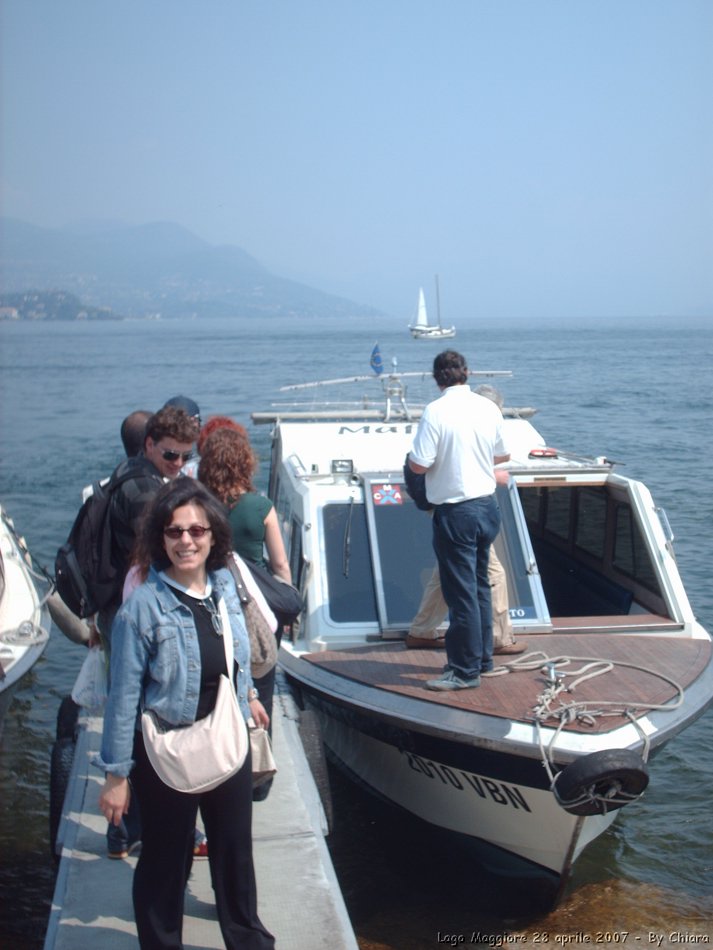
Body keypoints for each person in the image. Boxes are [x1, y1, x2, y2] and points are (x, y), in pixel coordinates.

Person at [96, 478, 275, 950]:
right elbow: (123, 698)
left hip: (227, 743)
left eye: (196, 530)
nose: (186, 541)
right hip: (168, 753)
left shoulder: (222, 587)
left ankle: (249, 940)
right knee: (164, 862)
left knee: (235, 855)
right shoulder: (143, 610)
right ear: (161, 538)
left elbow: (234, 654)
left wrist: (248, 694)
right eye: (174, 532)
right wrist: (116, 776)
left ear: (214, 535)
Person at [96, 404, 200, 858]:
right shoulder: (142, 491)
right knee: (140, 716)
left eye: (184, 457)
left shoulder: (131, 476)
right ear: (150, 445)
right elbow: (162, 555)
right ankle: (129, 827)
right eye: (171, 455)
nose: (178, 465)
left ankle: (128, 827)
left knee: (137, 712)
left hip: (122, 611)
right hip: (134, 617)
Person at [408, 350, 510, 691]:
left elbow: (419, 465)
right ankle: (482, 660)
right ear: (467, 372)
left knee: (461, 593)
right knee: (480, 586)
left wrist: (413, 462)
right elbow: (501, 456)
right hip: (487, 508)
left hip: (457, 513)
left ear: (436, 378)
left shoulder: (435, 412)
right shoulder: (488, 408)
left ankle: (463, 672)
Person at [198, 427, 290, 800]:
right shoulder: (260, 507)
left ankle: (217, 765)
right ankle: (257, 779)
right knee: (259, 686)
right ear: (245, 463)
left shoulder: (200, 506)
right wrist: (284, 609)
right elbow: (281, 566)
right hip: (256, 609)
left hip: (211, 606)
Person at [405, 385, 525, 656]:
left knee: (446, 571)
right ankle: (498, 638)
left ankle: (421, 631)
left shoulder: (449, 417)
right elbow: (455, 470)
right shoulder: (472, 420)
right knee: (492, 573)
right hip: (460, 511)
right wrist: (495, 477)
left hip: (448, 510)